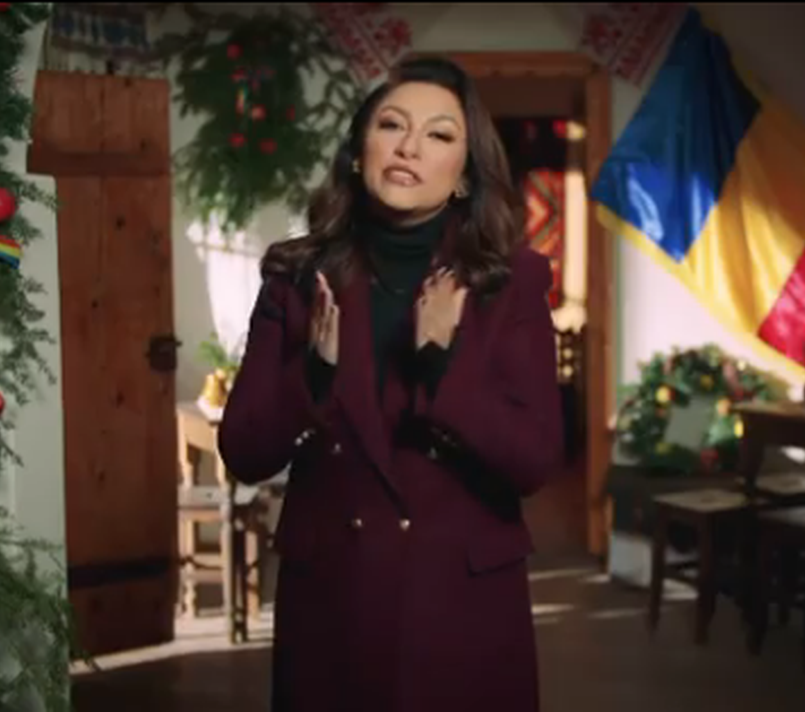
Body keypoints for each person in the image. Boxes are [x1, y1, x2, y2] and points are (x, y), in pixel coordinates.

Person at [217, 55, 564, 712]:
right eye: (392, 125)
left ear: (465, 175)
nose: (409, 147)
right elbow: (245, 451)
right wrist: (312, 374)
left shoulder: (509, 283)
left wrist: (441, 367)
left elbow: (533, 460)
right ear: (358, 152)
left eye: (439, 134)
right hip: (333, 603)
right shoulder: (296, 276)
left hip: (461, 605)